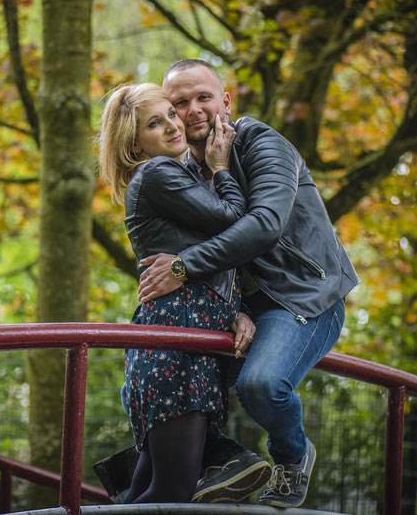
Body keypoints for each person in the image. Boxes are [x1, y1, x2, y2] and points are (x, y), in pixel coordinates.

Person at [137, 59, 360, 508]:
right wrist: (234, 307)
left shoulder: (263, 143)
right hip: (244, 307)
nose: (193, 109)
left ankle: (292, 456)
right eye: (180, 103)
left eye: (203, 97)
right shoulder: (185, 173)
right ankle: (198, 467)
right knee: (164, 382)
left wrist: (182, 267)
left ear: (225, 100)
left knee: (259, 384)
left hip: (305, 295)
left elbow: (263, 226)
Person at [97, 82, 263, 503]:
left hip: (183, 343)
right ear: (134, 144)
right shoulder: (157, 173)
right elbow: (234, 221)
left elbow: (213, 256)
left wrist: (239, 309)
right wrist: (222, 167)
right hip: (175, 343)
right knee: (174, 490)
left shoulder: (173, 174)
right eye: (156, 123)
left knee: (148, 488)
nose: (174, 125)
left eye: (171, 113)